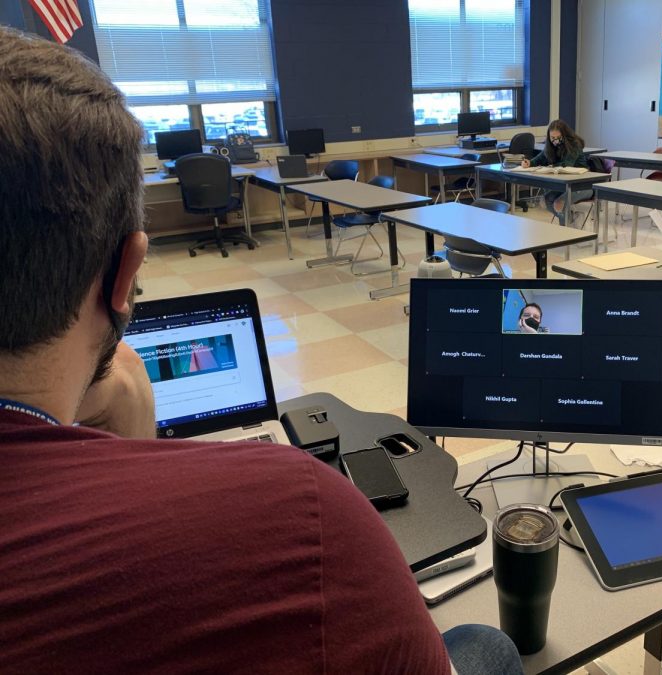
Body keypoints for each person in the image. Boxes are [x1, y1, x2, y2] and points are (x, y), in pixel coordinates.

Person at [0, 28, 522, 674]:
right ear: (128, 270)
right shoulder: (298, 505)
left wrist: (134, 452)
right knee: (487, 645)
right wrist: (141, 448)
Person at [521, 119, 589, 225]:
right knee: (546, 200)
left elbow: (566, 164)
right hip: (565, 185)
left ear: (565, 136)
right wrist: (529, 163)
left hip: (582, 185)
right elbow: (539, 159)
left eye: (558, 138)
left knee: (558, 203)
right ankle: (571, 219)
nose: (555, 140)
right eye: (552, 138)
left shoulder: (574, 145)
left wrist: (549, 167)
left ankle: (567, 231)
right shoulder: (551, 146)